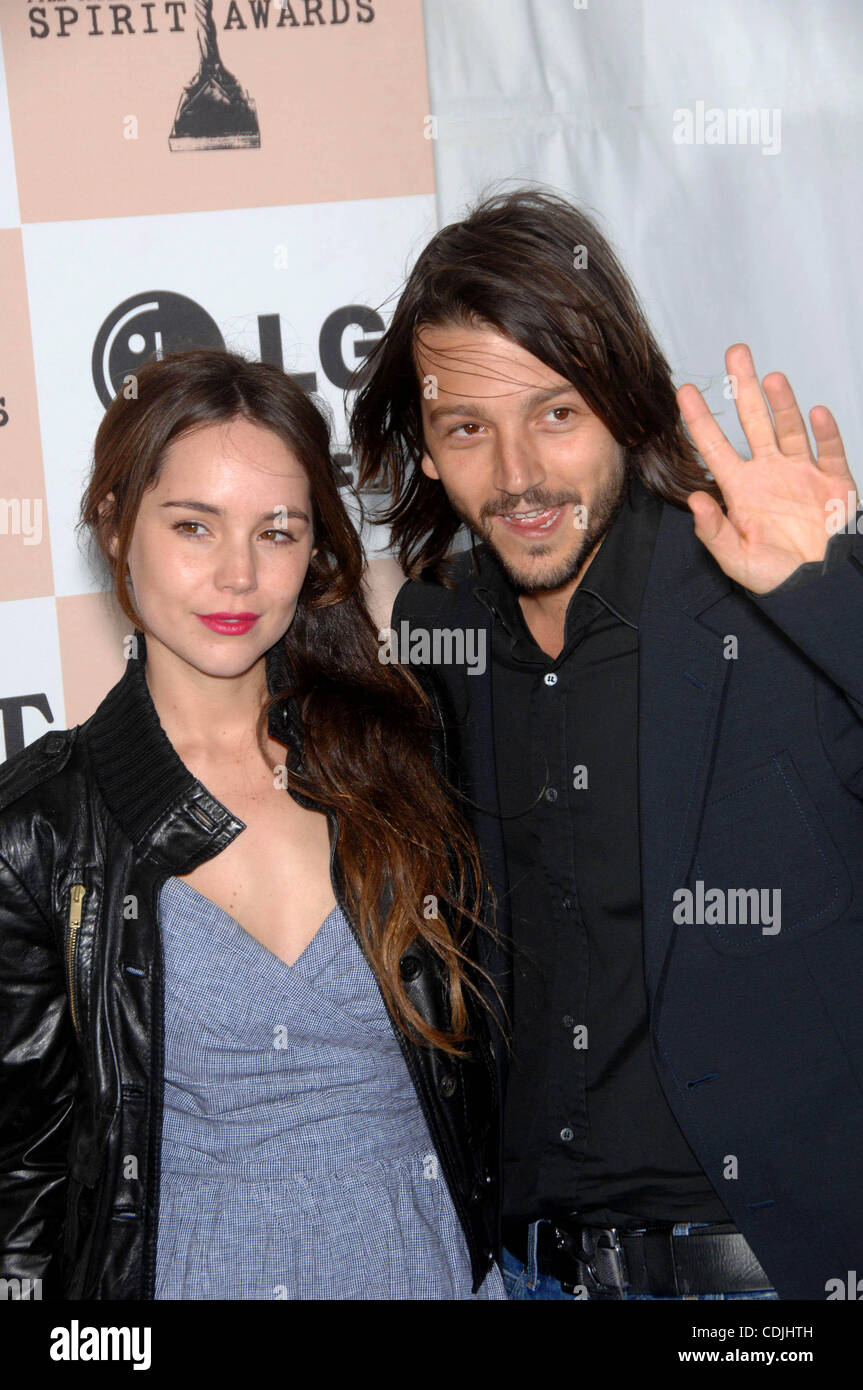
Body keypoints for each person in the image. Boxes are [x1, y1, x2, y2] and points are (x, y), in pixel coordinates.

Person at [349, 186, 863, 1301]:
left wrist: (830, 596)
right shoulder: (436, 635)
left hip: (762, 1275)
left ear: (626, 409)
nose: (519, 475)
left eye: (555, 413)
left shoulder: (762, 594)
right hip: (534, 1272)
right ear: (425, 452)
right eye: (467, 429)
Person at [0, 348, 506, 1301]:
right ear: (115, 527)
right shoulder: (37, 829)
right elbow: (20, 1192)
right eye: (194, 526)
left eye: (276, 532)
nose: (237, 574)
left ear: (315, 548)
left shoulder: (410, 755)